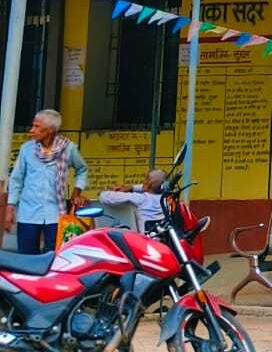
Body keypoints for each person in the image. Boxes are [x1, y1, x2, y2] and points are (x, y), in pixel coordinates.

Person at [5, 109, 90, 255]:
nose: (31, 130)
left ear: (50, 130)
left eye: (37, 126)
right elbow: (16, 179)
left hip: (55, 213)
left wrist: (77, 192)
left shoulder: (68, 148)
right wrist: (10, 207)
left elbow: (82, 169)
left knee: (55, 257)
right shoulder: (27, 149)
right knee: (26, 258)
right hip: (28, 213)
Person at [98, 169, 169, 233]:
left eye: (146, 179)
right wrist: (132, 188)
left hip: (146, 239)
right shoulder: (167, 199)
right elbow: (153, 186)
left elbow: (103, 197)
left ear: (149, 183)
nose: (143, 182)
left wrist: (127, 189)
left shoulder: (140, 198)